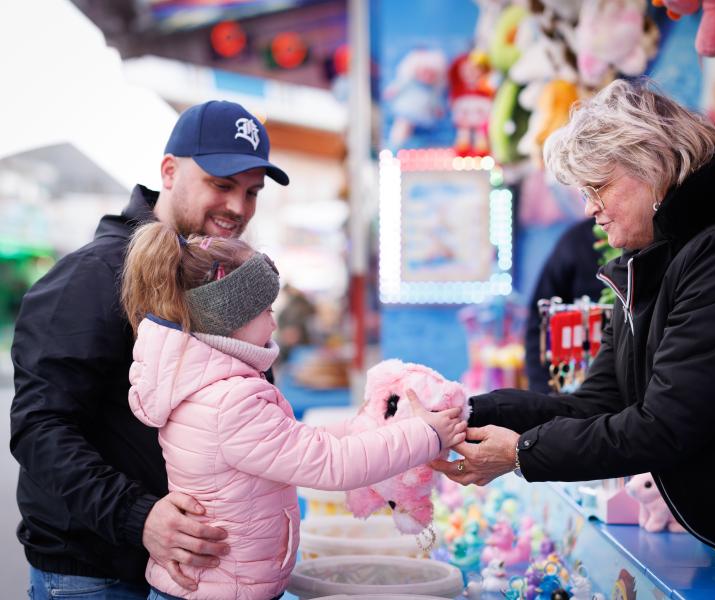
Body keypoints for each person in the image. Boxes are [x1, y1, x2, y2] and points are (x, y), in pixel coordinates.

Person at [433, 79, 715, 598]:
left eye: (598, 187)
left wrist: (522, 454)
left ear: (651, 166)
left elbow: (667, 424)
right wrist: (470, 413)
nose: (590, 209)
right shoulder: (651, 266)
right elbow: (599, 403)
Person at [10, 100, 290, 599]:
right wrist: (138, 515)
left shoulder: (215, 275)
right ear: (169, 171)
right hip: (94, 574)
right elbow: (39, 428)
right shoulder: (92, 275)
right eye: (221, 184)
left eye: (251, 192)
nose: (238, 208)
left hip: (192, 572)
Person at [121, 223, 466, 600]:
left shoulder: (209, 386)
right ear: (230, 319)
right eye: (267, 310)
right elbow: (333, 464)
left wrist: (360, 426)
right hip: (222, 591)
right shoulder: (230, 401)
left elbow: (293, 440)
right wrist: (428, 434)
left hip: (217, 585)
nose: (275, 322)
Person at [524, 218, 611, 393]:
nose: (592, 207)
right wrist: (542, 391)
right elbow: (539, 320)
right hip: (576, 388)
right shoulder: (575, 242)